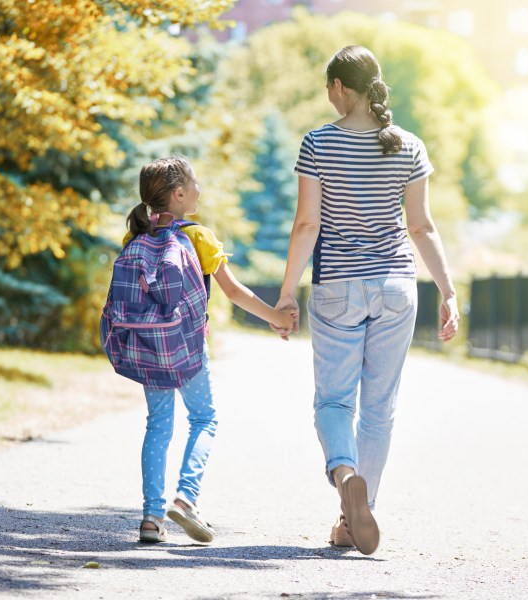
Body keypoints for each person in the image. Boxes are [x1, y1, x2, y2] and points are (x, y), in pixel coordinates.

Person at [275, 46, 460, 555]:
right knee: (379, 409)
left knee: (334, 401)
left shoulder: (318, 143)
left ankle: (345, 476)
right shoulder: (410, 146)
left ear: (339, 88)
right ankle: (357, 515)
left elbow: (307, 224)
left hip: (337, 286)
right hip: (398, 287)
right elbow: (421, 226)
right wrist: (448, 290)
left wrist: (287, 293)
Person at [122, 156, 294, 544]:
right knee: (204, 418)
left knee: (158, 424)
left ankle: (151, 518)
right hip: (188, 346)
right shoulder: (198, 235)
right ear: (180, 194)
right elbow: (234, 292)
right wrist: (277, 317)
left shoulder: (135, 236)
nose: (200, 189)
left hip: (149, 347)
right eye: (195, 183)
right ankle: (185, 499)